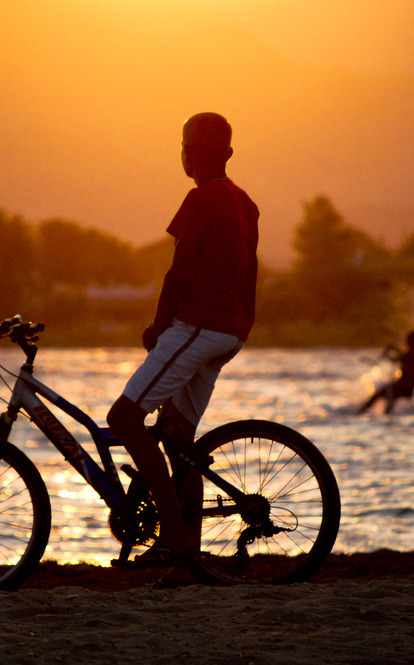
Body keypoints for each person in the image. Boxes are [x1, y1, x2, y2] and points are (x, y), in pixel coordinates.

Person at [106, 112, 259, 575]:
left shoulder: (199, 199)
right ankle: (187, 550)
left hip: (197, 325)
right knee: (178, 439)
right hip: (229, 330)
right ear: (228, 153)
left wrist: (157, 328)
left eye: (187, 145)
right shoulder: (245, 202)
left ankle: (172, 536)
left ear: (190, 153)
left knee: (124, 418)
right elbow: (251, 270)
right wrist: (242, 327)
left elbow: (178, 271)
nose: (186, 152)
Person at [357, 330, 414, 414]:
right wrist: (390, 353)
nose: (406, 344)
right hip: (399, 385)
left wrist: (394, 351)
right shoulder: (410, 354)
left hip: (406, 388)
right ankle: (361, 413)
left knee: (387, 394)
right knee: (382, 394)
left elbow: (406, 360)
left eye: (408, 341)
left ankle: (362, 413)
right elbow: (398, 359)